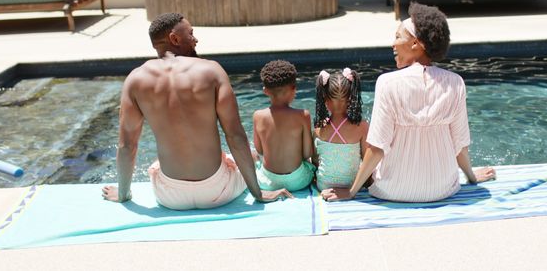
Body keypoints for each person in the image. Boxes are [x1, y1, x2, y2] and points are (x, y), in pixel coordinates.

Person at [102, 13, 291, 210]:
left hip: (169, 196)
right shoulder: (212, 71)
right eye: (191, 33)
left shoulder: (135, 79)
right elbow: (235, 136)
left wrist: (123, 195)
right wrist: (258, 194)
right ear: (174, 39)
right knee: (251, 155)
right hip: (218, 191)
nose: (195, 39)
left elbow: (127, 146)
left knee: (159, 161)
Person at [322, 2, 496, 203]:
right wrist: (472, 177)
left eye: (397, 37)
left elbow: (377, 148)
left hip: (393, 192)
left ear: (415, 43)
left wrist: (351, 191)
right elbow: (460, 146)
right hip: (444, 189)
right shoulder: (455, 82)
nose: (393, 44)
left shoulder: (387, 83)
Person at [252, 60, 315, 192]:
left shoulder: (258, 116)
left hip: (268, 182)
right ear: (294, 89)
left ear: (265, 91)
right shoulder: (303, 115)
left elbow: (260, 151)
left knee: (253, 156)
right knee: (310, 166)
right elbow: (307, 153)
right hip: (298, 181)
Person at [313, 68, 369, 191]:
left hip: (324, 186)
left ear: (325, 100)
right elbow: (367, 160)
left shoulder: (319, 128)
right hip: (353, 185)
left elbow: (316, 161)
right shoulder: (362, 127)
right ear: (351, 99)